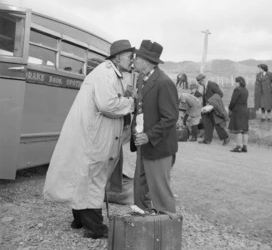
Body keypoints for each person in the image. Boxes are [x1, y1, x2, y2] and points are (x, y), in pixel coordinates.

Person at [43, 40, 135, 239]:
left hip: (92, 135)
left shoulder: (110, 72)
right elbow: (107, 105)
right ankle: (95, 228)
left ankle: (79, 220)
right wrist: (131, 102)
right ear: (118, 57)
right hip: (94, 137)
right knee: (93, 179)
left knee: (83, 176)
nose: (133, 61)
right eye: (130, 56)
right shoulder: (106, 73)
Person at [131, 40, 179, 213]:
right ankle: (142, 220)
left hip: (157, 145)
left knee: (160, 193)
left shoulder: (163, 82)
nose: (133, 60)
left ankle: (167, 227)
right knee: (140, 187)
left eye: (137, 57)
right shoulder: (143, 79)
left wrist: (149, 135)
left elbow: (171, 117)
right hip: (143, 143)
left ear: (147, 61)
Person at [196, 73, 230, 145]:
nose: (200, 84)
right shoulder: (205, 87)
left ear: (203, 80)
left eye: (200, 82)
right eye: (199, 82)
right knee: (207, 124)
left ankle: (226, 138)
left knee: (218, 124)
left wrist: (211, 103)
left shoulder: (212, 85)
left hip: (214, 109)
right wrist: (204, 107)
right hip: (207, 109)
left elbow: (220, 94)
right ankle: (207, 140)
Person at [228, 76, 249, 153]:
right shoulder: (246, 90)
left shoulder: (237, 89)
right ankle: (245, 147)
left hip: (238, 110)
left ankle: (238, 147)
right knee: (245, 130)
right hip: (245, 109)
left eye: (236, 82)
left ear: (238, 82)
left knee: (239, 130)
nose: (235, 83)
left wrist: (230, 108)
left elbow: (233, 101)